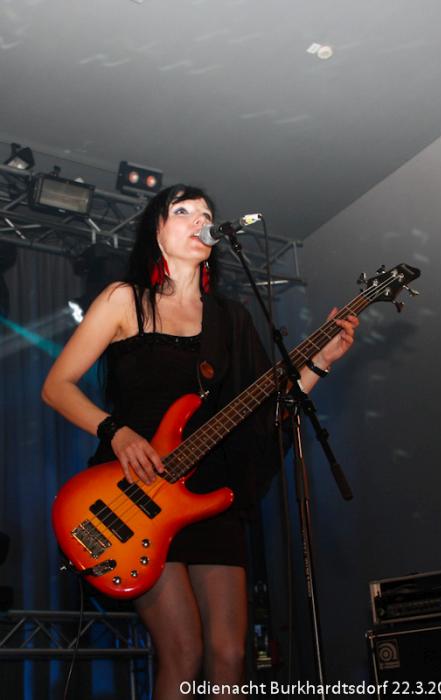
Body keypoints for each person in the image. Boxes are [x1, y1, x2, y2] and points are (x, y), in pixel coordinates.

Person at [42, 184, 359, 699]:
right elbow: (56, 387)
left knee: (230, 654)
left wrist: (320, 362)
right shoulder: (125, 300)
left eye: (205, 213)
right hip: (137, 495)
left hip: (209, 497)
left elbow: (269, 409)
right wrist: (116, 432)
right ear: (156, 231)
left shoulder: (230, 319)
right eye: (182, 210)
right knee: (183, 649)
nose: (198, 220)